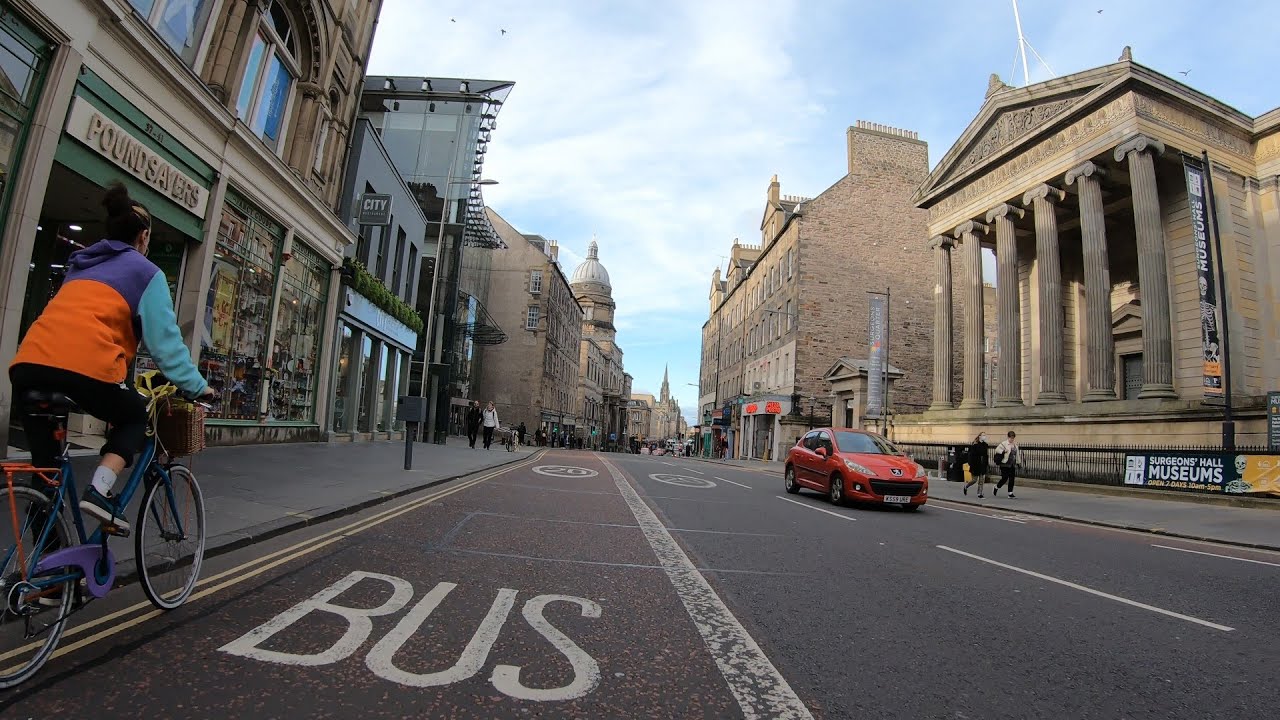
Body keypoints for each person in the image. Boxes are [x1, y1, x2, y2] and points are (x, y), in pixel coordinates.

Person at [9, 182, 217, 531]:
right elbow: (166, 345)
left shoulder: (80, 266)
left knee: (46, 475)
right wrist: (198, 387)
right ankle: (100, 490)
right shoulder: (146, 272)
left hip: (29, 363)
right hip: (83, 366)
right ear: (144, 236)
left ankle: (46, 561)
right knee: (135, 416)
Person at [963, 432, 991, 498]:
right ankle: (966, 486)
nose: (984, 436)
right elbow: (970, 455)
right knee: (974, 480)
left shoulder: (985, 445)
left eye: (985, 435)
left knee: (981, 481)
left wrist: (986, 464)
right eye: (983, 435)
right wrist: (970, 464)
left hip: (982, 464)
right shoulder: (974, 445)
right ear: (979, 436)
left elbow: (986, 455)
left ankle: (979, 493)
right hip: (975, 465)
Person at [994, 431, 1021, 497]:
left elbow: (1017, 455)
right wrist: (1003, 451)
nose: (1012, 439)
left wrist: (1018, 462)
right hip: (1004, 464)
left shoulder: (1015, 445)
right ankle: (997, 487)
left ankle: (1010, 493)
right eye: (1011, 438)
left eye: (1013, 438)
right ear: (1008, 437)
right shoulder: (1004, 443)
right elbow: (997, 450)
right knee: (1004, 478)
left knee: (1012, 479)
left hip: (1012, 464)